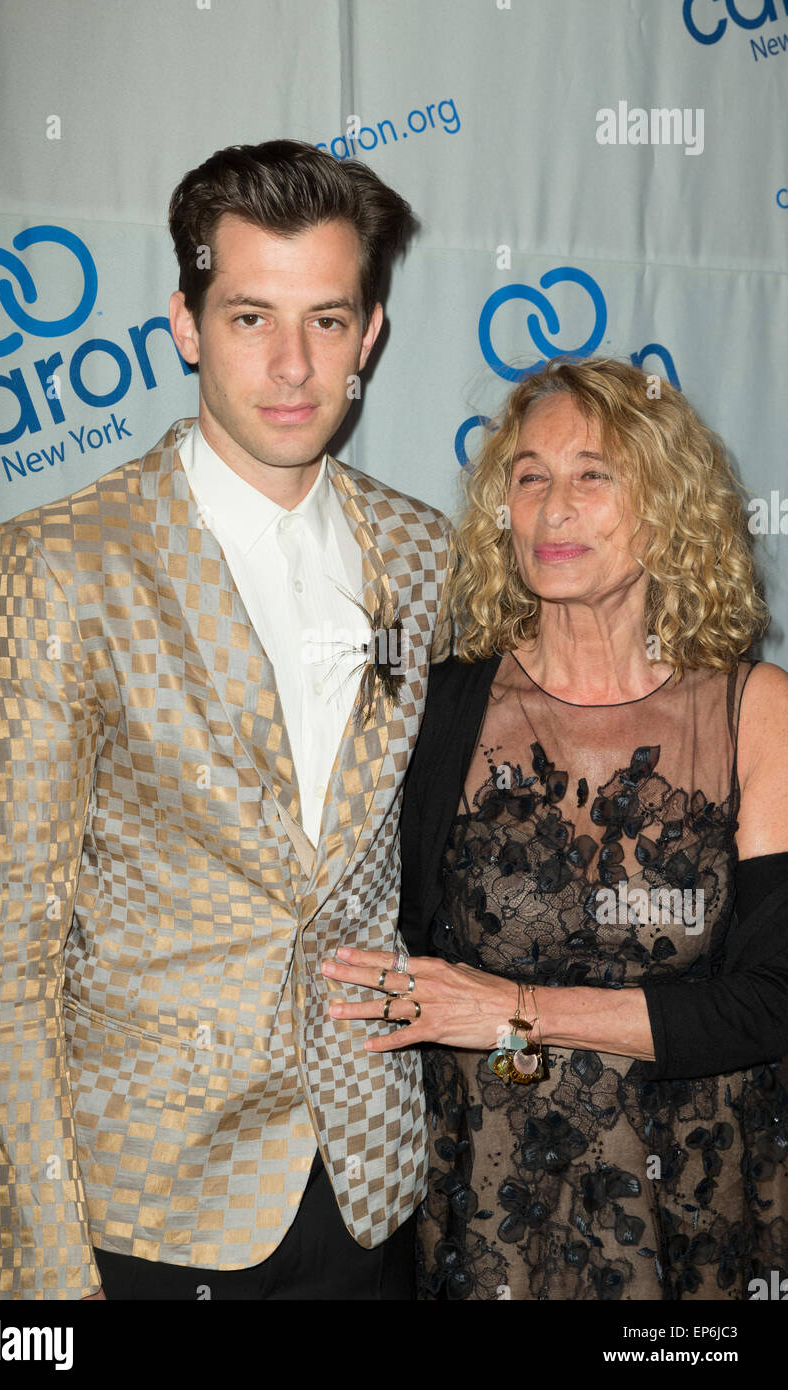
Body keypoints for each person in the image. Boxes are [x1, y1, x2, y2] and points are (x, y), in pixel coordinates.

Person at [0, 140, 452, 1301]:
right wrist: (43, 1276)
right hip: (150, 1208)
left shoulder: (424, 555)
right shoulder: (64, 563)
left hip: (373, 1186)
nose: (289, 365)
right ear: (183, 323)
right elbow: (3, 959)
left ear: (368, 334)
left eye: (325, 321)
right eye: (247, 318)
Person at [322, 357, 788, 1300]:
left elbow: (772, 1002)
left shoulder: (757, 709)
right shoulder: (440, 706)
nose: (551, 507)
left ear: (666, 506)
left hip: (693, 1214)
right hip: (489, 1208)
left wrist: (510, 1009)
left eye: (592, 475)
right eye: (529, 476)